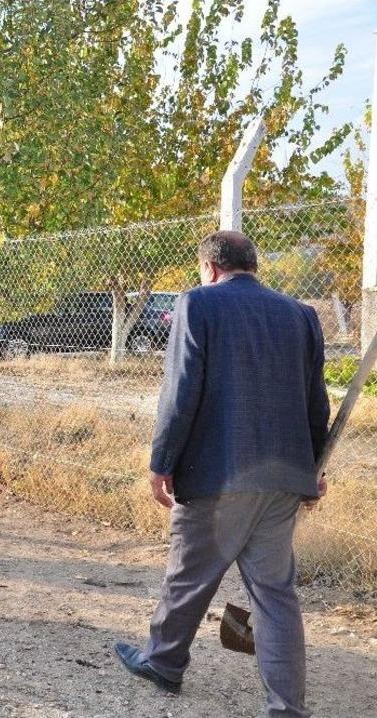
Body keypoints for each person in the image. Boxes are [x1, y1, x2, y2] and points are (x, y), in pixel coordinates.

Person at [113, 230, 329, 718]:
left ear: (209, 268)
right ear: (253, 265)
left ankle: (164, 663)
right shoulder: (301, 315)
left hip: (217, 476)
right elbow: (317, 402)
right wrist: (312, 470)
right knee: (276, 596)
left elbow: (181, 391)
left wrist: (160, 463)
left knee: (187, 577)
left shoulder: (198, 304)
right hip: (281, 481)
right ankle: (286, 707)